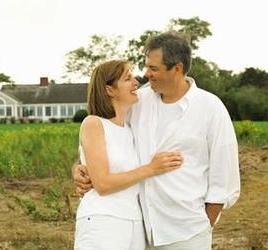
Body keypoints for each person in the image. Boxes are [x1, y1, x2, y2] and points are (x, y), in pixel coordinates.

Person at [73, 32, 240, 250]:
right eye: (146, 66)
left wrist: (203, 225)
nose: (146, 74)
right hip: (142, 231)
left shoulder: (210, 108)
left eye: (154, 68)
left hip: (187, 232)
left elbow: (224, 177)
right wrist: (79, 168)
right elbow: (109, 140)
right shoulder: (138, 102)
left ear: (177, 68)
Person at [74, 59, 183, 250]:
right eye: (127, 78)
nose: (136, 83)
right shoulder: (94, 123)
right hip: (103, 219)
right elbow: (102, 184)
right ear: (109, 90)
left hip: (134, 221)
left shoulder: (129, 129)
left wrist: (77, 167)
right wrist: (151, 169)